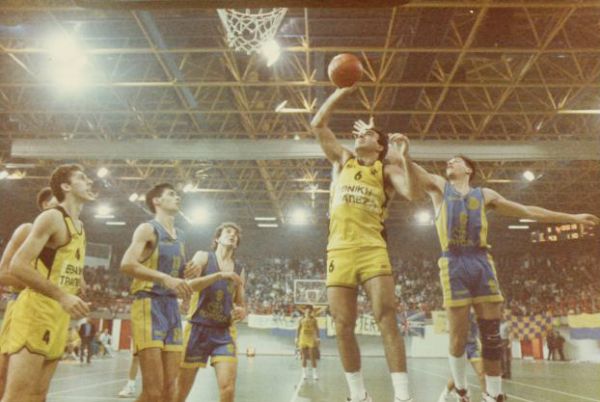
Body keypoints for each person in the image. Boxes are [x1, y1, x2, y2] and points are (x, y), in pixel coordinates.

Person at [395, 141, 599, 402]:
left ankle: (494, 393)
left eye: (456, 160)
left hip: (480, 261)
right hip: (453, 261)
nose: (450, 162)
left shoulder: (485, 195)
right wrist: (404, 155)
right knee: (458, 338)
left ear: (469, 169)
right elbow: (414, 179)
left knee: (491, 334)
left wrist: (572, 218)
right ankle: (461, 389)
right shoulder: (439, 187)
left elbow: (528, 211)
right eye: (449, 160)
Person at [310, 87, 414, 402]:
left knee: (386, 318)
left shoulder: (387, 169)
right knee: (342, 325)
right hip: (338, 250)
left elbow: (411, 193)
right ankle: (358, 396)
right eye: (359, 134)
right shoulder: (343, 160)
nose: (360, 136)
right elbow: (317, 124)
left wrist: (403, 156)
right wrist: (341, 90)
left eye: (368, 134)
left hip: (372, 249)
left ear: (380, 145)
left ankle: (403, 396)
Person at [2, 164, 95, 402]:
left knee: (38, 395)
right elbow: (17, 265)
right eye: (82, 178)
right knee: (17, 396)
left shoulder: (80, 227)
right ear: (66, 186)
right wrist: (62, 295)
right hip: (36, 310)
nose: (90, 182)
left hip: (58, 315)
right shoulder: (52, 217)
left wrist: (75, 286)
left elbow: (59, 269)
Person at [121, 183, 192, 402]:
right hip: (148, 303)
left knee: (171, 391)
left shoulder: (180, 236)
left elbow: (177, 274)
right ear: (157, 201)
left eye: (177, 194)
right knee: (153, 391)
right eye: (171, 194)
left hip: (171, 307)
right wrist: (164, 278)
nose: (177, 197)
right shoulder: (147, 229)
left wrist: (189, 272)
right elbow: (127, 264)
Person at [176, 222, 245, 402]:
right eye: (228, 232)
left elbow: (241, 303)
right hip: (197, 329)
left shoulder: (239, 269)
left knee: (228, 389)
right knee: (181, 390)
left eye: (236, 234)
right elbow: (189, 285)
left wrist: (241, 310)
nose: (233, 235)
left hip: (224, 332)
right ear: (217, 238)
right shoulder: (203, 257)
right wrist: (219, 275)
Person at [0, 187, 57, 398]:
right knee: (5, 376)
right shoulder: (28, 230)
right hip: (23, 306)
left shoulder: (69, 240)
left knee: (39, 388)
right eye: (57, 200)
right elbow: (3, 273)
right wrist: (43, 285)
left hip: (52, 312)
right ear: (45, 205)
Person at [438, 311, 485, 402]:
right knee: (456, 377)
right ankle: (445, 394)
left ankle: (486, 397)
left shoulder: (475, 308)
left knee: (482, 373)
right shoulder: (456, 310)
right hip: (459, 345)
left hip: (473, 345)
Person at [296, 305, 320, 381]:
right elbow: (298, 329)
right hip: (303, 339)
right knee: (304, 357)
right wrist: (296, 338)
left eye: (310, 311)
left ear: (311, 312)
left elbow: (317, 329)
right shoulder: (301, 319)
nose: (308, 312)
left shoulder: (314, 320)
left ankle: (315, 374)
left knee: (312, 357)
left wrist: (318, 338)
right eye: (307, 311)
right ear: (304, 311)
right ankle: (304, 374)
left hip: (311, 339)